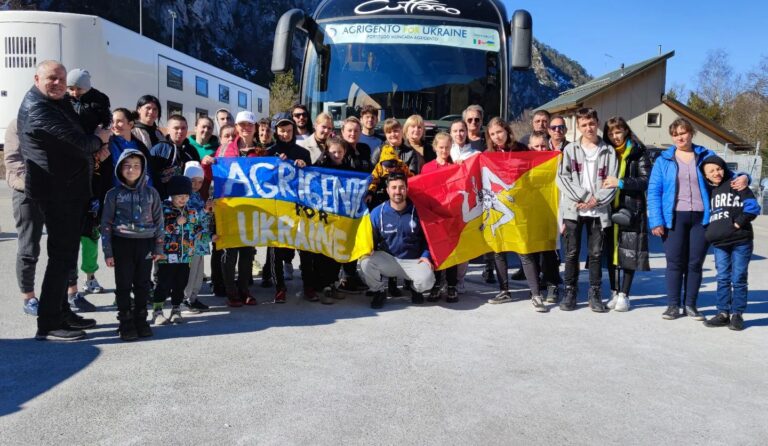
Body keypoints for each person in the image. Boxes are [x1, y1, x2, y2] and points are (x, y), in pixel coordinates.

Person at [18, 60, 111, 340]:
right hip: (57, 192)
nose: (58, 84)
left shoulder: (56, 102)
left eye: (61, 78)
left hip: (69, 190)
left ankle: (61, 313)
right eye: (52, 78)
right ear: (37, 79)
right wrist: (99, 140)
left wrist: (94, 143)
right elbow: (81, 142)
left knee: (67, 256)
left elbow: (78, 134)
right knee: (61, 257)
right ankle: (48, 323)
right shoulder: (39, 108)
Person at [648, 118, 749, 321]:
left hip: (702, 218)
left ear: (691, 133)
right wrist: (656, 220)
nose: (679, 137)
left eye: (683, 133)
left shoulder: (705, 155)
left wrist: (746, 176)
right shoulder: (663, 160)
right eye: (675, 134)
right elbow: (654, 191)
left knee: (695, 263)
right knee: (675, 262)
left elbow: (726, 174)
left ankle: (691, 305)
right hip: (674, 217)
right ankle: (673, 305)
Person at [556, 108, 617, 312]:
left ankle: (595, 292)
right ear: (578, 127)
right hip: (574, 209)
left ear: (597, 123)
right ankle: (570, 291)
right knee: (572, 252)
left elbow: (612, 183)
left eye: (591, 123)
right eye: (584, 125)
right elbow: (562, 178)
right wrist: (582, 197)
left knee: (596, 253)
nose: (588, 128)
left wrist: (594, 201)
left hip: (598, 211)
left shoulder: (608, 151)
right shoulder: (570, 150)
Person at [101, 149, 163, 341]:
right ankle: (125, 321)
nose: (132, 169)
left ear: (143, 169)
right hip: (122, 244)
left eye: (136, 166)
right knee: (124, 284)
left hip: (145, 244)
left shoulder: (152, 193)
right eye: (127, 165)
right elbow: (106, 225)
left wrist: (158, 247)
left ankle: (141, 319)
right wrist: (108, 252)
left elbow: (159, 221)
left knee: (143, 284)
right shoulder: (113, 195)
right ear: (120, 168)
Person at [65, 68, 112, 301]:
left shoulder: (100, 101)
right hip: (72, 171)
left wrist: (102, 148)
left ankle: (90, 275)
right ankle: (69, 280)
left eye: (79, 88)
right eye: (71, 88)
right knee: (70, 234)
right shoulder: (63, 102)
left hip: (95, 171)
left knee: (91, 230)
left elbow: (106, 128)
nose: (74, 92)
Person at [701, 156, 760, 331]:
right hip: (720, 243)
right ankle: (722, 313)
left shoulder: (735, 183)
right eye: (711, 171)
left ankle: (737, 314)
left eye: (718, 168)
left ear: (724, 168)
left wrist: (737, 223)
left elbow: (753, 207)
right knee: (722, 278)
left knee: (739, 278)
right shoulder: (709, 191)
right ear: (706, 176)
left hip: (741, 240)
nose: (716, 173)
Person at [211, 111, 264, 306]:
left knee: (247, 252)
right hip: (227, 208)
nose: (245, 128)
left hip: (251, 209)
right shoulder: (224, 149)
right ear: (237, 127)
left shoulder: (260, 152)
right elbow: (213, 175)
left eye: (249, 125)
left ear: (254, 127)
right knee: (229, 252)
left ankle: (244, 290)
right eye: (242, 124)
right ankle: (231, 292)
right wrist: (207, 163)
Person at [360, 173, 436, 308]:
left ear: (407, 189)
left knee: (428, 280)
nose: (398, 191)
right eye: (394, 187)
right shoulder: (378, 213)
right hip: (388, 260)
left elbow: (429, 238)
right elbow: (369, 237)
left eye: (401, 187)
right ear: (387, 190)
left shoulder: (418, 211)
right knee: (364, 263)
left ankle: (414, 288)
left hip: (413, 260)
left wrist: (426, 256)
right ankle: (379, 290)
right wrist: (367, 249)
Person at [600, 117, 651, 312]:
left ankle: (625, 294)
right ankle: (614, 291)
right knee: (612, 251)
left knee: (629, 251)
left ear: (626, 131)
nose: (615, 136)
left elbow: (645, 180)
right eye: (611, 133)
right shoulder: (606, 152)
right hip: (608, 207)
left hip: (631, 208)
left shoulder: (638, 151)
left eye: (618, 132)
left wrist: (620, 182)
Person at [267, 115, 312, 303]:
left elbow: (313, 179)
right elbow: (263, 177)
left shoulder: (303, 152)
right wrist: (275, 164)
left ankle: (309, 285)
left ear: (294, 131)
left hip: (299, 207)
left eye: (288, 130)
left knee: (306, 247)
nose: (285, 134)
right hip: (276, 207)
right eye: (281, 130)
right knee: (276, 249)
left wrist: (304, 166)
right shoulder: (270, 151)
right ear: (276, 132)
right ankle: (279, 287)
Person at [309, 137, 355, 304]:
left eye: (340, 152)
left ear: (344, 153)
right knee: (323, 253)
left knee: (336, 251)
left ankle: (332, 283)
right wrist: (322, 157)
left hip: (340, 216)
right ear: (327, 152)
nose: (336, 154)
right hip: (323, 216)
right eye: (333, 152)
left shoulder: (348, 169)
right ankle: (323, 286)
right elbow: (312, 175)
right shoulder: (321, 166)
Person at [5, 119, 44, 316]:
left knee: (63, 245)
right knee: (29, 246)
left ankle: (70, 293)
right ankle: (28, 297)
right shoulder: (18, 124)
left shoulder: (54, 119)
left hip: (55, 193)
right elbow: (12, 160)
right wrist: (35, 182)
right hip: (26, 193)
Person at [151, 176, 199, 325]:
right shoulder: (164, 208)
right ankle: (157, 310)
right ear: (172, 195)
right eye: (179, 196)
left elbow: (197, 227)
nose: (182, 199)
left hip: (185, 255)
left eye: (185, 196)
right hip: (166, 255)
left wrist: (200, 232)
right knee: (164, 282)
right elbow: (158, 229)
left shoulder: (191, 210)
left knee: (180, 283)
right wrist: (175, 223)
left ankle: (176, 309)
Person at [421, 132, 459, 303]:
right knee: (436, 250)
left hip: (451, 216)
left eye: (447, 147)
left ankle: (452, 285)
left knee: (452, 251)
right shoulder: (427, 167)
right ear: (435, 147)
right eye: (441, 147)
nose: (444, 150)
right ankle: (436, 284)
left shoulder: (456, 166)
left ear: (451, 147)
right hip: (433, 216)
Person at [337, 116, 373, 293]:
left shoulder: (365, 149)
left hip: (360, 203)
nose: (352, 133)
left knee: (357, 237)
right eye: (349, 130)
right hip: (342, 204)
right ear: (342, 132)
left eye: (356, 130)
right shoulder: (338, 149)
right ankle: (344, 275)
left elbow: (371, 173)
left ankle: (352, 273)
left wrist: (370, 191)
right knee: (344, 238)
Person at [181, 161, 213, 313]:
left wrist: (210, 234)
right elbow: (190, 218)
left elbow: (204, 220)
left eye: (199, 181)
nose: (196, 184)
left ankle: (193, 297)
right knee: (190, 271)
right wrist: (205, 211)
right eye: (192, 181)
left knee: (199, 272)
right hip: (190, 243)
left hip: (201, 241)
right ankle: (184, 299)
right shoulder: (184, 197)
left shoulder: (198, 197)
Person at [148, 114, 201, 198]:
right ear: (168, 130)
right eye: (176, 128)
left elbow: (198, 177)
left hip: (186, 200)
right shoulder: (159, 148)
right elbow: (149, 174)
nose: (180, 131)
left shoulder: (192, 151)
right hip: (164, 199)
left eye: (183, 128)